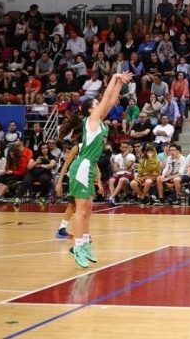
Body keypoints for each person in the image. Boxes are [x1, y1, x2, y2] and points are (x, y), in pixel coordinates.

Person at [62, 71, 132, 267]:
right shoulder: (91, 121)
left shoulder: (99, 123)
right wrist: (113, 78)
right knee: (81, 211)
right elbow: (106, 98)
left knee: (88, 209)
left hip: (88, 167)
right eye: (95, 106)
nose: (100, 107)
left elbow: (111, 101)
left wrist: (119, 82)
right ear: (90, 111)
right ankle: (77, 247)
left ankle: (84, 244)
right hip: (82, 166)